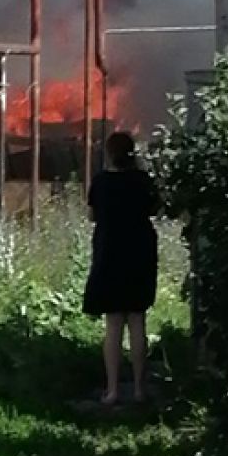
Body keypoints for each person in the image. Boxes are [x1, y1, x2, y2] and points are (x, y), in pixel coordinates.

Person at [82, 131, 160, 406]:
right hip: (139, 253)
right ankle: (140, 389)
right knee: (137, 322)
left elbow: (91, 215)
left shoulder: (101, 182)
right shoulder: (143, 181)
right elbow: (155, 209)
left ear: (109, 154)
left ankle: (113, 390)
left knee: (113, 325)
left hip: (110, 254)